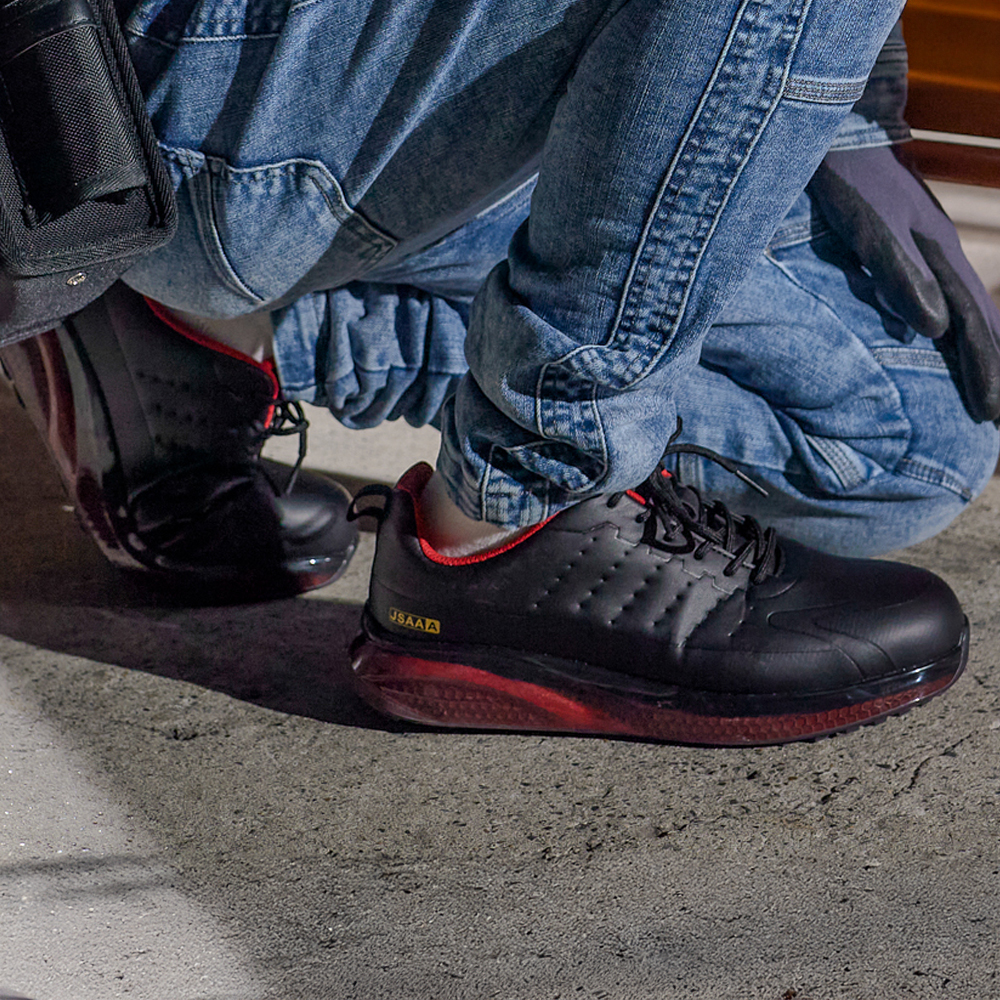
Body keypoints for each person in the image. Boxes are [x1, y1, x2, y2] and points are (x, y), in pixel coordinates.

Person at [5, 3, 999, 743]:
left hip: (335, 87)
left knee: (906, 444)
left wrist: (848, 111)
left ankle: (212, 336)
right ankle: (522, 496)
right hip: (164, 72)